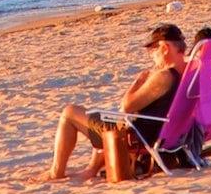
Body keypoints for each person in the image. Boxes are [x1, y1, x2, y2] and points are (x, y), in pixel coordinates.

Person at [49, 23, 188, 182]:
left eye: (153, 50)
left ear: (164, 48)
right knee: (105, 117)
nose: (151, 55)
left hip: (137, 137)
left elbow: (127, 106)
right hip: (167, 133)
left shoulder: (164, 76)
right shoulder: (188, 71)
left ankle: (56, 172)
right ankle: (91, 169)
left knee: (69, 112)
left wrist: (138, 81)